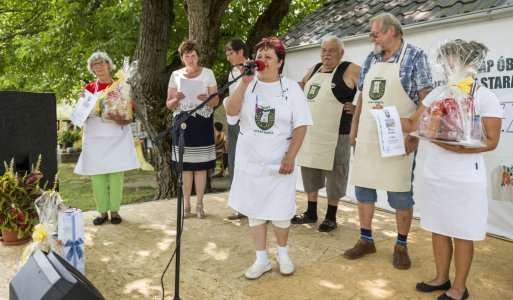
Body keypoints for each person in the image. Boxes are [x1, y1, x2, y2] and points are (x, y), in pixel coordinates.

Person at [399, 39, 501, 300]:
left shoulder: (484, 97)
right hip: (436, 173)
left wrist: (461, 148)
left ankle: (459, 286)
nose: (445, 66)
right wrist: (384, 116)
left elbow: (492, 141)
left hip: (465, 178)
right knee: (439, 227)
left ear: (469, 63)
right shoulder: (437, 94)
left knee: (462, 232)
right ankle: (441, 277)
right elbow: (414, 123)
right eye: (444, 61)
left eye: (450, 60)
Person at [343, 13, 433, 269]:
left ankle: (401, 244)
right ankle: (366, 239)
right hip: (369, 135)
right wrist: (355, 126)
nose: (373, 37)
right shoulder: (371, 57)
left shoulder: (415, 56)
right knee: (363, 189)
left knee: (400, 193)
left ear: (393, 31)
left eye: (377, 33)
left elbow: (427, 99)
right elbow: (362, 96)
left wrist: (415, 134)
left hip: (398, 137)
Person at [225, 37, 313, 279]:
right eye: (259, 56)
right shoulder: (245, 83)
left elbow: (301, 125)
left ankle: (283, 254)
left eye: (268, 57)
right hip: (251, 159)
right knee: (255, 210)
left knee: (281, 210)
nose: (262, 61)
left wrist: (291, 155)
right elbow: (231, 113)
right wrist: (243, 84)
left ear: (279, 62)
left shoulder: (292, 88)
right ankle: (261, 259)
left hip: (279, 160)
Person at [292, 35, 361, 232]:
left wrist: (359, 108)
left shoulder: (350, 69)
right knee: (310, 171)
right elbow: (300, 88)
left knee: (335, 175)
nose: (327, 54)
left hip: (337, 132)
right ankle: (311, 212)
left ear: (341, 53)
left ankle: (331, 216)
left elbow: (370, 91)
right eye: (324, 50)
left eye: (332, 50)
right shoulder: (313, 70)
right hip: (312, 132)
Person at [74, 51, 140, 225]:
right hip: (95, 137)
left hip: (116, 135)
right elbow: (80, 115)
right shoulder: (88, 89)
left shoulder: (121, 86)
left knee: (116, 173)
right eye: (94, 65)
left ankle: (115, 212)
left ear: (109, 65)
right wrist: (82, 104)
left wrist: (118, 112)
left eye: (101, 63)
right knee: (98, 175)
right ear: (92, 69)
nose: (98, 67)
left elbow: (129, 112)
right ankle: (102, 212)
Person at [166, 40, 219, 219]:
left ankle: (200, 205)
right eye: (186, 56)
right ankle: (186, 205)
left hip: (202, 123)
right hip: (182, 124)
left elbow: (215, 101)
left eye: (193, 56)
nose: (190, 59)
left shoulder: (208, 73)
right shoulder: (175, 75)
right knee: (186, 168)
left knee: (201, 167)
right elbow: (169, 104)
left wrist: (207, 98)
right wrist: (177, 99)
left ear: (198, 56)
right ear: (182, 58)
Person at [224, 39, 249, 220]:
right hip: (234, 122)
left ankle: (258, 206)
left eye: (230, 52)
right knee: (235, 162)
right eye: (226, 54)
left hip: (250, 124)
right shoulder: (232, 73)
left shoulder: (255, 69)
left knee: (252, 165)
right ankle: (240, 206)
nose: (228, 57)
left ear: (241, 51)